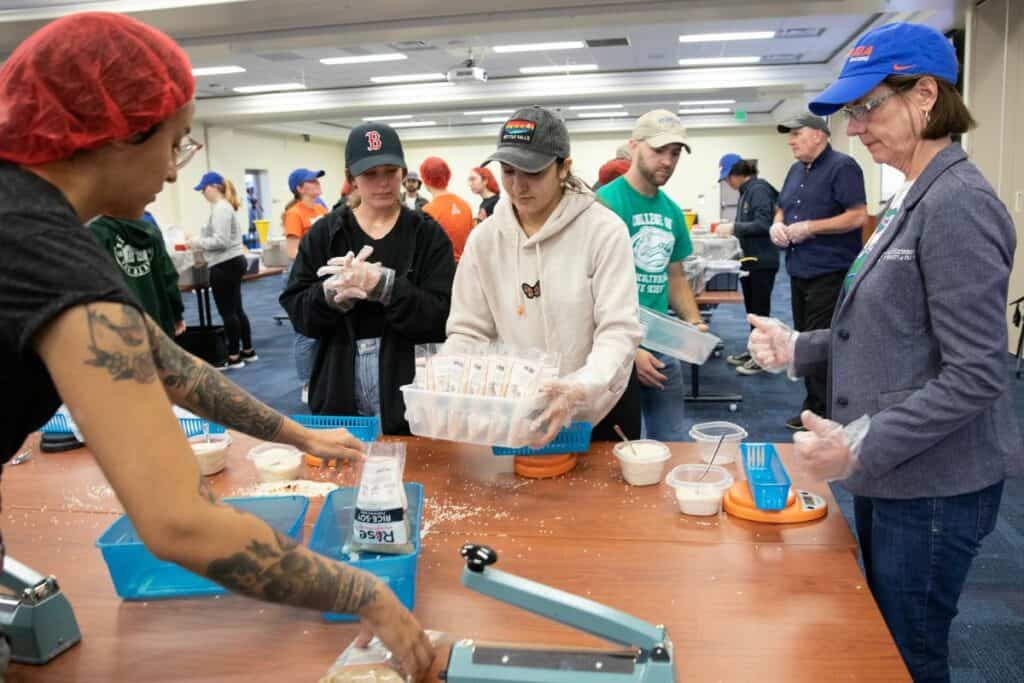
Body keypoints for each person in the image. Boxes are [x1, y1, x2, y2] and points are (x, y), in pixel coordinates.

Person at [0, 12, 433, 679]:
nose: (174, 174)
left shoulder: (22, 216)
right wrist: (364, 592)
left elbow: (167, 362)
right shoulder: (52, 259)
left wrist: (298, 433)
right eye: (173, 145)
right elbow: (178, 523)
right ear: (117, 133)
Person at [748, 22, 1023, 683]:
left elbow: (979, 372)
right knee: (886, 634)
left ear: (925, 94)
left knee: (905, 652)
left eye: (869, 107)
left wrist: (864, 442)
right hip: (896, 469)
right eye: (851, 113)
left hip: (935, 483)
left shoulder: (957, 203)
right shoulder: (911, 196)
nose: (855, 128)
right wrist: (799, 349)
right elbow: (884, 327)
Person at [446, 106, 644, 445]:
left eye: (533, 173)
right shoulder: (485, 239)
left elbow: (618, 331)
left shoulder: (604, 230)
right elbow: (469, 330)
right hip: (521, 412)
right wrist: (450, 378)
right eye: (508, 172)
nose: (518, 186)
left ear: (563, 167)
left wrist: (581, 388)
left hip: (598, 409)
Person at [280, 123, 455, 434]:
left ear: (403, 173)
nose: (382, 183)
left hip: (409, 388)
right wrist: (329, 296)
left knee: (415, 471)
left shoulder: (427, 234)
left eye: (390, 171)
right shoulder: (325, 234)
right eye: (370, 174)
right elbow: (299, 313)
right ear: (351, 179)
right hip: (339, 385)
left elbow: (442, 316)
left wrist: (386, 287)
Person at [597, 110, 705, 442]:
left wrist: (694, 322)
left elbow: (675, 276)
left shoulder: (671, 211)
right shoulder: (603, 205)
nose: (668, 161)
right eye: (659, 151)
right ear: (633, 147)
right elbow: (587, 290)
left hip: (661, 346)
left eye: (674, 153)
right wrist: (630, 349)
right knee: (617, 452)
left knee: (672, 444)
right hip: (613, 349)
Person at [771, 113, 867, 430]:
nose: (790, 140)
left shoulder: (843, 167)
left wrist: (811, 228)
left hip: (830, 271)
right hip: (798, 271)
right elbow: (783, 205)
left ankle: (825, 412)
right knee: (804, 340)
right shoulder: (795, 170)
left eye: (797, 134)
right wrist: (778, 223)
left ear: (818, 135)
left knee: (819, 343)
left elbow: (856, 216)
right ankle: (815, 406)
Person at [714, 153, 779, 375]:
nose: (728, 183)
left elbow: (764, 224)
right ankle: (754, 351)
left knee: (760, 313)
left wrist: (734, 228)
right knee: (752, 311)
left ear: (738, 173)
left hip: (762, 261)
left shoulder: (758, 190)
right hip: (750, 260)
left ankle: (763, 359)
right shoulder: (746, 192)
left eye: (728, 178)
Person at [191, 171, 256, 369]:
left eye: (203, 190)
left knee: (228, 311)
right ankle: (247, 350)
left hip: (224, 263)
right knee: (236, 308)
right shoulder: (225, 208)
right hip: (233, 261)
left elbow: (221, 240)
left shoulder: (220, 209)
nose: (203, 194)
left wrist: (195, 242)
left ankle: (234, 356)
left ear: (213, 187)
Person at [89, 214, 187, 338]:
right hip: (157, 318)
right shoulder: (151, 230)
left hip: (119, 325)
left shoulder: (96, 232)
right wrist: (177, 313)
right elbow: (169, 277)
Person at [283, 168, 329, 403]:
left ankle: (320, 377)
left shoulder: (321, 209)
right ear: (300, 188)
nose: (316, 183)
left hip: (323, 274)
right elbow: (292, 251)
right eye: (311, 181)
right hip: (304, 275)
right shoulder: (295, 213)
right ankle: (306, 382)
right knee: (305, 334)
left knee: (323, 332)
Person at [420, 156, 475, 262]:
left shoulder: (427, 211)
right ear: (448, 176)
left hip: (441, 271)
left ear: (425, 180)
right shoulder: (465, 206)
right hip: (464, 268)